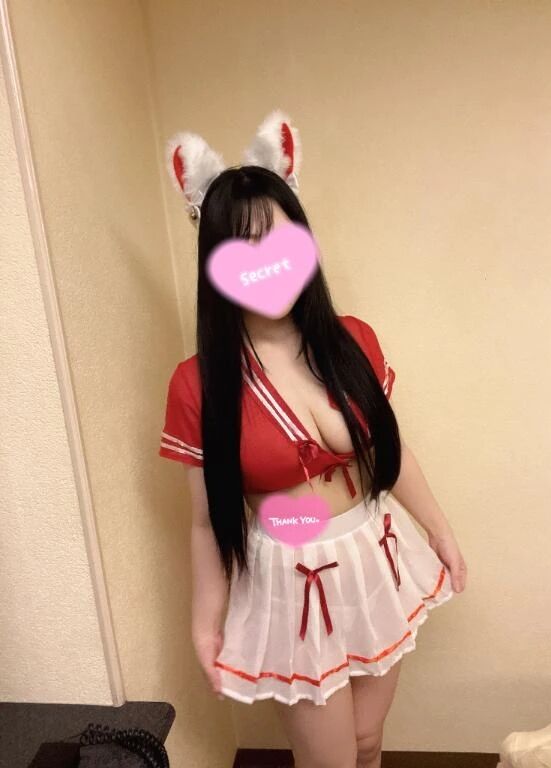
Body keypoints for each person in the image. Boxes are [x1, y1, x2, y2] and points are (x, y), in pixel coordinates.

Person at [159, 114, 467, 768]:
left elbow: (390, 454)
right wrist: (204, 622)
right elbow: (206, 523)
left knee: (367, 741)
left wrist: (439, 530)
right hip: (294, 580)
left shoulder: (352, 340)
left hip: (374, 552)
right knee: (329, 759)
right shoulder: (198, 384)